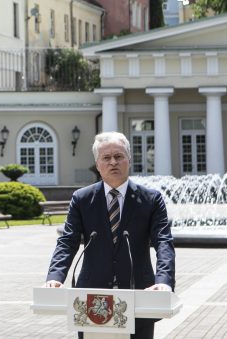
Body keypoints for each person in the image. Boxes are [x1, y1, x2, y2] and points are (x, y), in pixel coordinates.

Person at [45, 131, 175, 339]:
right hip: (92, 300)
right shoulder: (82, 199)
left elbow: (163, 242)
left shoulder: (151, 199)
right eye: (106, 158)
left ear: (128, 160)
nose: (113, 162)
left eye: (119, 156)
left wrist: (164, 280)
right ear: (97, 164)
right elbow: (68, 241)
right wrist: (55, 277)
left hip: (138, 296)